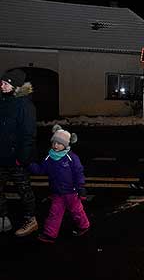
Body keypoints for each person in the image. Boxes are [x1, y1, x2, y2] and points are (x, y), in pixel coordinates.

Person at [29, 125, 89, 243]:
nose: (56, 145)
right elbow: (41, 170)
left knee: (77, 211)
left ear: (66, 145)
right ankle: (50, 234)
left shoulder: (71, 158)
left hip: (72, 193)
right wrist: (29, 164)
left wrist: (81, 187)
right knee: (54, 213)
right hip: (57, 193)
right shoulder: (49, 157)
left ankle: (84, 225)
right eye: (54, 142)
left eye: (60, 143)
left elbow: (78, 173)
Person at [0, 69, 39, 236]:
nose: (1, 85)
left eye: (5, 83)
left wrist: (21, 159)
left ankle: (31, 220)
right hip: (1, 156)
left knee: (24, 190)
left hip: (16, 159)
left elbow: (28, 134)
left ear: (15, 86)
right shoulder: (3, 100)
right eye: (1, 82)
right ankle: (3, 219)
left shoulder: (25, 105)